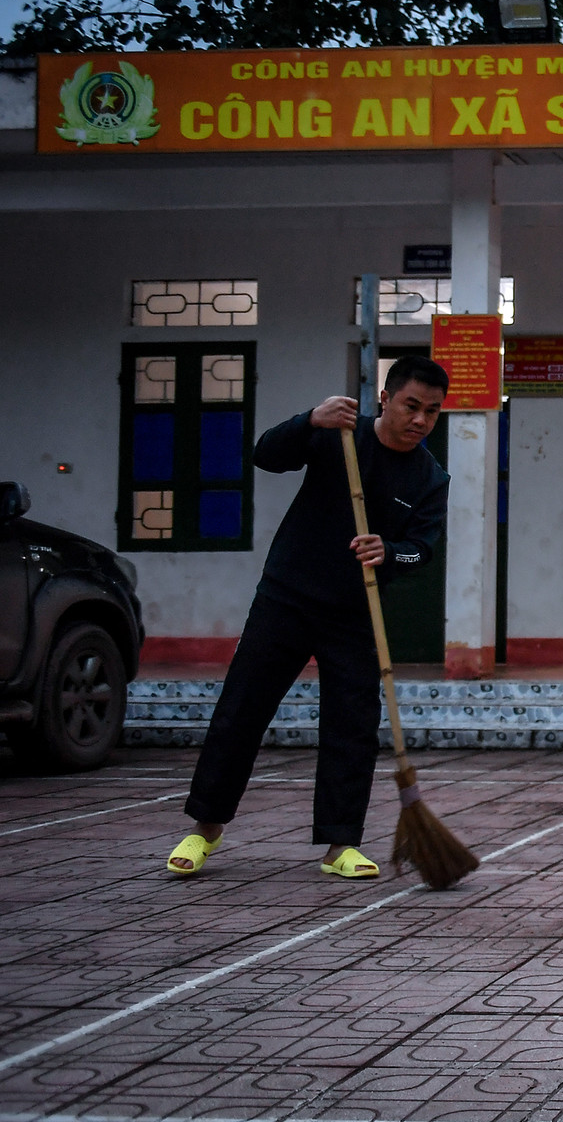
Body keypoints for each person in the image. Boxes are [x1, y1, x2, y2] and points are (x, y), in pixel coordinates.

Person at [165, 356, 451, 880]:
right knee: (241, 709)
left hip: (356, 611)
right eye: (411, 406)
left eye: (431, 412)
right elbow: (265, 455)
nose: (420, 420)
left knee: (352, 726)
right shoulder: (339, 436)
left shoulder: (430, 477)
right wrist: (308, 421)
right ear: (385, 399)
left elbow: (422, 549)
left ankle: (341, 845)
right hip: (287, 596)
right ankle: (205, 828)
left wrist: (390, 551)